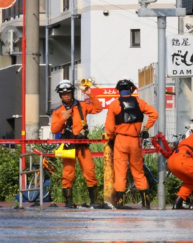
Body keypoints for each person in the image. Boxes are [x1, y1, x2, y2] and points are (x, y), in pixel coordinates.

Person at [104, 78, 158, 209]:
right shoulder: (139, 102)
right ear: (131, 89)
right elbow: (154, 114)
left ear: (119, 90)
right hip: (135, 141)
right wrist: (146, 129)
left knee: (120, 172)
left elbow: (109, 128)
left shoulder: (114, 104)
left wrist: (111, 138)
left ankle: (121, 203)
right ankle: (146, 203)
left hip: (121, 140)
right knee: (138, 172)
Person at [50, 79, 104, 208]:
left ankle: (94, 202)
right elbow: (54, 129)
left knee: (90, 171)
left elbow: (98, 108)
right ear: (60, 96)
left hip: (82, 144)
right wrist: (63, 118)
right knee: (68, 173)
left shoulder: (83, 106)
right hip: (68, 145)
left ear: (72, 93)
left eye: (68, 93)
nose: (66, 96)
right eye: (63, 94)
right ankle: (68, 202)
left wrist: (90, 93)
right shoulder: (58, 111)